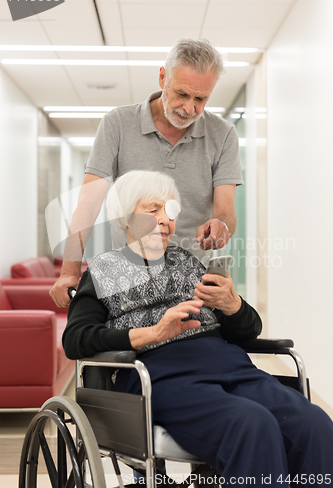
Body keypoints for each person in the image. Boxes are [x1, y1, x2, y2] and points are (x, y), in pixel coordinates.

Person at [63, 170, 333, 487]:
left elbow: (247, 332)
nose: (165, 219)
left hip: (232, 368)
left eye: (171, 211)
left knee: (314, 423)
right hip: (160, 376)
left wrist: (233, 305)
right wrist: (152, 334)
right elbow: (75, 339)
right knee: (251, 424)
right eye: (153, 209)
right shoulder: (103, 270)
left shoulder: (189, 262)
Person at [50, 37, 243, 307]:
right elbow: (88, 204)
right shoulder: (117, 124)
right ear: (163, 78)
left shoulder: (223, 135)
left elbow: (226, 212)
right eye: (182, 94)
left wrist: (221, 226)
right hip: (129, 276)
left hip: (193, 279)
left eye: (201, 99)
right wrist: (69, 271)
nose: (190, 108)